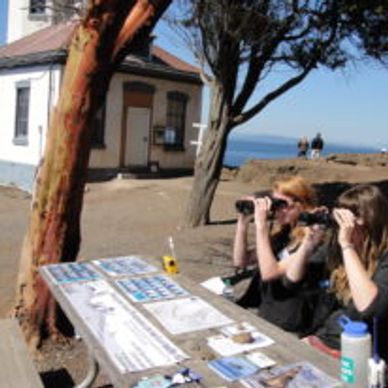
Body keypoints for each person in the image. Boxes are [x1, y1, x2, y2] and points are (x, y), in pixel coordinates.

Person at [285, 184, 388, 361]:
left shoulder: (381, 255)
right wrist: (309, 242)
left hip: (363, 353)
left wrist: (347, 246)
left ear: (368, 220)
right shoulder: (337, 249)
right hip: (325, 339)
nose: (340, 227)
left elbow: (371, 307)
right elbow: (291, 280)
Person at [233, 175, 326, 335]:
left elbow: (270, 272)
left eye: (283, 204)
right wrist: (243, 223)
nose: (277, 210)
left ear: (302, 205)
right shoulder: (284, 233)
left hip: (291, 326)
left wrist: (261, 227)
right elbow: (241, 261)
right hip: (268, 315)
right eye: (275, 205)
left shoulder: (313, 239)